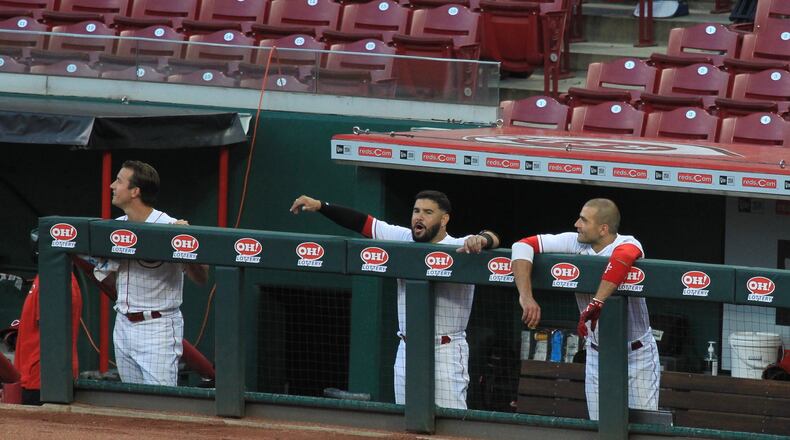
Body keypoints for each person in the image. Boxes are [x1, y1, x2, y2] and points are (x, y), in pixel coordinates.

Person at [290, 191, 500, 409]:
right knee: (406, 420)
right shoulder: (402, 238)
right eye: (416, 211)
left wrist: (482, 239)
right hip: (407, 347)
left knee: (451, 422)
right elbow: (363, 223)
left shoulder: (460, 245)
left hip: (445, 350)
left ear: (444, 219)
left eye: (428, 212)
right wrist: (321, 206)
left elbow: (493, 237)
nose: (419, 217)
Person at [511, 198, 659, 420]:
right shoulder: (575, 242)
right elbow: (522, 245)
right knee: (600, 424)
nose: (576, 224)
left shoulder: (629, 243)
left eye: (583, 220)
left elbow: (622, 258)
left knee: (644, 425)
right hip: (597, 352)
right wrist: (526, 296)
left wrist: (596, 302)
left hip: (636, 353)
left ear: (603, 229)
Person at [98, 160, 208, 386]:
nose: (112, 186)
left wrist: (186, 246)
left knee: (162, 403)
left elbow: (202, 278)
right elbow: (104, 277)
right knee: (134, 404)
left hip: (157, 327)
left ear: (135, 191)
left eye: (118, 181)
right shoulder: (115, 227)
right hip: (123, 325)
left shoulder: (169, 226)